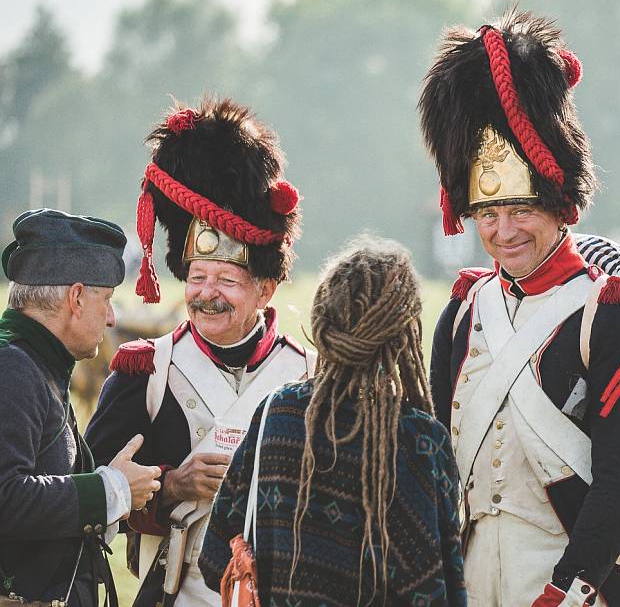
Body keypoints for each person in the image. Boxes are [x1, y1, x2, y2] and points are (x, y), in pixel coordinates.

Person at [419, 12, 620, 606]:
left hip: (583, 579)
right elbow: (439, 461)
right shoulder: (462, 312)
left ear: (561, 203)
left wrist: (568, 588)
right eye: (488, 214)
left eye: (522, 211)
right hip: (475, 575)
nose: (504, 231)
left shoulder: (610, 310)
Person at [85, 98, 315, 607]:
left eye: (227, 280)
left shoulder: (307, 374)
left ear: (266, 289)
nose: (206, 293)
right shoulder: (143, 371)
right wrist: (172, 487)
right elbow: (92, 496)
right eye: (197, 277)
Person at [199, 237, 467, 606]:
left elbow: (214, 559)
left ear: (324, 321)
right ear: (403, 334)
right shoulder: (420, 441)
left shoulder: (278, 414)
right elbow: (437, 588)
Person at [0, 209, 162, 606]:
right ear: (75, 298)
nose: (110, 318)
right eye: (105, 300)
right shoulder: (13, 367)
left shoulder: (35, 363)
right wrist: (114, 488)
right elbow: (5, 497)